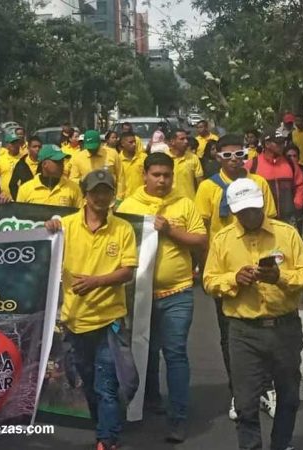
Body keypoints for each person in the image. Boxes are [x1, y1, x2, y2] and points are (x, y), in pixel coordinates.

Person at [203, 179, 303, 450]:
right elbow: (209, 281)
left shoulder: (286, 234)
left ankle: (281, 444)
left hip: (284, 327)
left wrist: (280, 277)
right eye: (243, 211)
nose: (250, 216)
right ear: (233, 210)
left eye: (254, 209)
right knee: (245, 402)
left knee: (289, 397)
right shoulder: (223, 240)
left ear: (263, 204)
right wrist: (234, 278)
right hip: (243, 331)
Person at [44, 169, 138, 450]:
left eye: (106, 191)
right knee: (87, 382)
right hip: (74, 321)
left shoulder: (123, 229)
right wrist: (48, 228)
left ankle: (107, 440)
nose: (100, 197)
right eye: (95, 191)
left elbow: (127, 272)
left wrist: (97, 282)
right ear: (85, 194)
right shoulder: (66, 226)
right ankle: (104, 429)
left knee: (107, 385)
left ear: (113, 195)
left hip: (109, 320)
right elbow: (42, 247)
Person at [117, 152, 207, 443]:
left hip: (178, 292)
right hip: (139, 294)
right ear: (144, 175)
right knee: (145, 350)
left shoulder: (184, 204)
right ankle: (149, 399)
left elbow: (200, 240)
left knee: (176, 353)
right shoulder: (129, 206)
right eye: (156, 174)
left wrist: (170, 230)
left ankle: (178, 416)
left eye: (167, 175)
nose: (162, 180)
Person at [194, 134, 278, 420]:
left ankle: (266, 389)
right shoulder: (207, 188)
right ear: (217, 156)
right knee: (230, 335)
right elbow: (203, 231)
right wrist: (207, 269)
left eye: (239, 154)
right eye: (227, 155)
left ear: (246, 155)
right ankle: (239, 392)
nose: (233, 160)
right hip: (227, 273)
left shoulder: (260, 183)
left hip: (261, 270)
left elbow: (273, 223)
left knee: (267, 331)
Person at [245, 129, 303, 227]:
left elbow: (300, 184)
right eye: (278, 143)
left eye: (283, 142)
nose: (282, 145)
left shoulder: (290, 164)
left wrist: (298, 202)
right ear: (267, 144)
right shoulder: (252, 165)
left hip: (288, 219)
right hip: (263, 220)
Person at [16, 145, 83, 207]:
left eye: (62, 162)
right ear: (44, 164)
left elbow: (81, 216)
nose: (62, 165)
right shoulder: (25, 189)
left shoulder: (74, 188)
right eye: (57, 162)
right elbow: (18, 216)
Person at [69, 130, 125, 201]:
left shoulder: (112, 154)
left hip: (109, 200)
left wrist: (119, 198)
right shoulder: (78, 158)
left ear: (100, 143)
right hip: (87, 201)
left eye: (94, 147)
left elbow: (121, 177)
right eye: (89, 148)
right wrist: (82, 180)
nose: (92, 150)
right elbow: (72, 180)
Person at [167, 129, 204, 200]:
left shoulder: (193, 158)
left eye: (186, 139)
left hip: (189, 204)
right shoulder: (164, 158)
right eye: (182, 139)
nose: (186, 141)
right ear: (172, 142)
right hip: (169, 204)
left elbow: (200, 182)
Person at [0, 133, 24, 202]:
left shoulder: (25, 158)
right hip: (5, 198)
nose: (15, 145)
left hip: (22, 198)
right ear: (7, 145)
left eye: (17, 142)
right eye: (13, 143)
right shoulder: (0, 159)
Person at [118, 132, 146, 202]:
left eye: (135, 142)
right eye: (131, 142)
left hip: (141, 198)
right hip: (124, 200)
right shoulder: (118, 160)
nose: (134, 144)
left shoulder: (143, 157)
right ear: (122, 144)